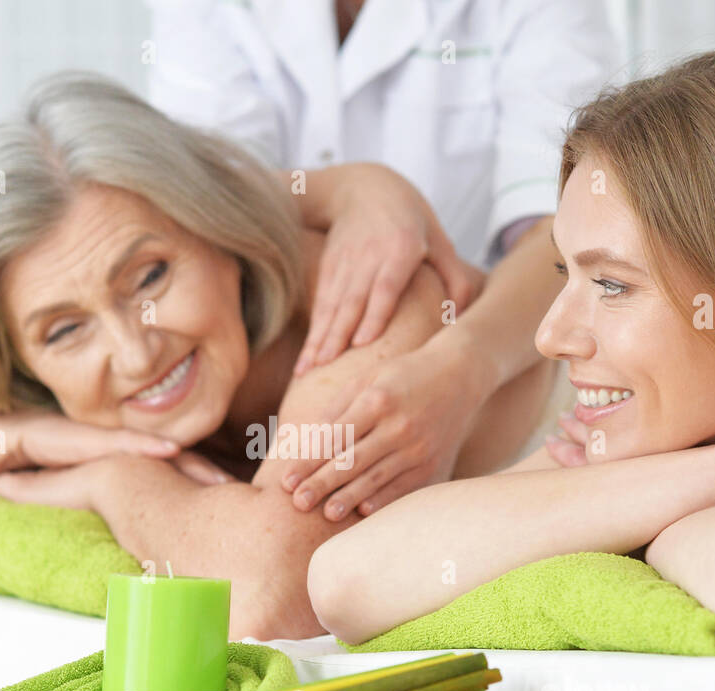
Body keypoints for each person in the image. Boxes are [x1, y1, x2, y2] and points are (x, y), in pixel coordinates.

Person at [0, 73, 537, 640]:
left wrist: (109, 475)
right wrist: (14, 439)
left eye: (151, 276)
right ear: (23, 360)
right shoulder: (62, 374)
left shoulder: (362, 296)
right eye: (62, 332)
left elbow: (270, 592)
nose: (132, 351)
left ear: (219, 232)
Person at [307, 47, 715, 655]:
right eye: (566, 274)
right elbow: (346, 579)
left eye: (612, 284)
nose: (551, 336)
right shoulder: (657, 450)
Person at [148, 0, 619, 519]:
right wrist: (348, 190)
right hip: (262, 399)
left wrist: (460, 369)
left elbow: (565, 236)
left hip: (491, 362)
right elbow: (195, 198)